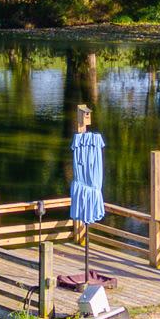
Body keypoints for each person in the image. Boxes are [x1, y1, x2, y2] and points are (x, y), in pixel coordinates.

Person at [68, 106, 107, 278]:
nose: (87, 117)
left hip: (90, 186)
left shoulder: (94, 145)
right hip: (84, 184)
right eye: (86, 115)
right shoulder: (81, 146)